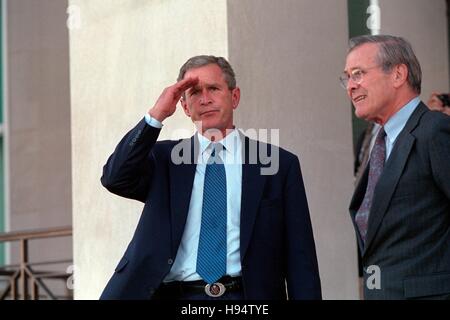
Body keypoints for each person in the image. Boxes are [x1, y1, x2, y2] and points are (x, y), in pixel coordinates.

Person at [99, 55, 322, 300]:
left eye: (213, 89)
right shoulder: (164, 159)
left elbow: (301, 259)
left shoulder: (278, 164)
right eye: (194, 92)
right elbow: (114, 177)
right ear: (184, 106)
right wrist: (156, 115)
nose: (205, 99)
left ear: (234, 97)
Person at [340, 35, 450, 299]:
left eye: (359, 74)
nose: (350, 86)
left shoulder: (435, 131)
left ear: (398, 74)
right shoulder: (382, 141)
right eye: (347, 77)